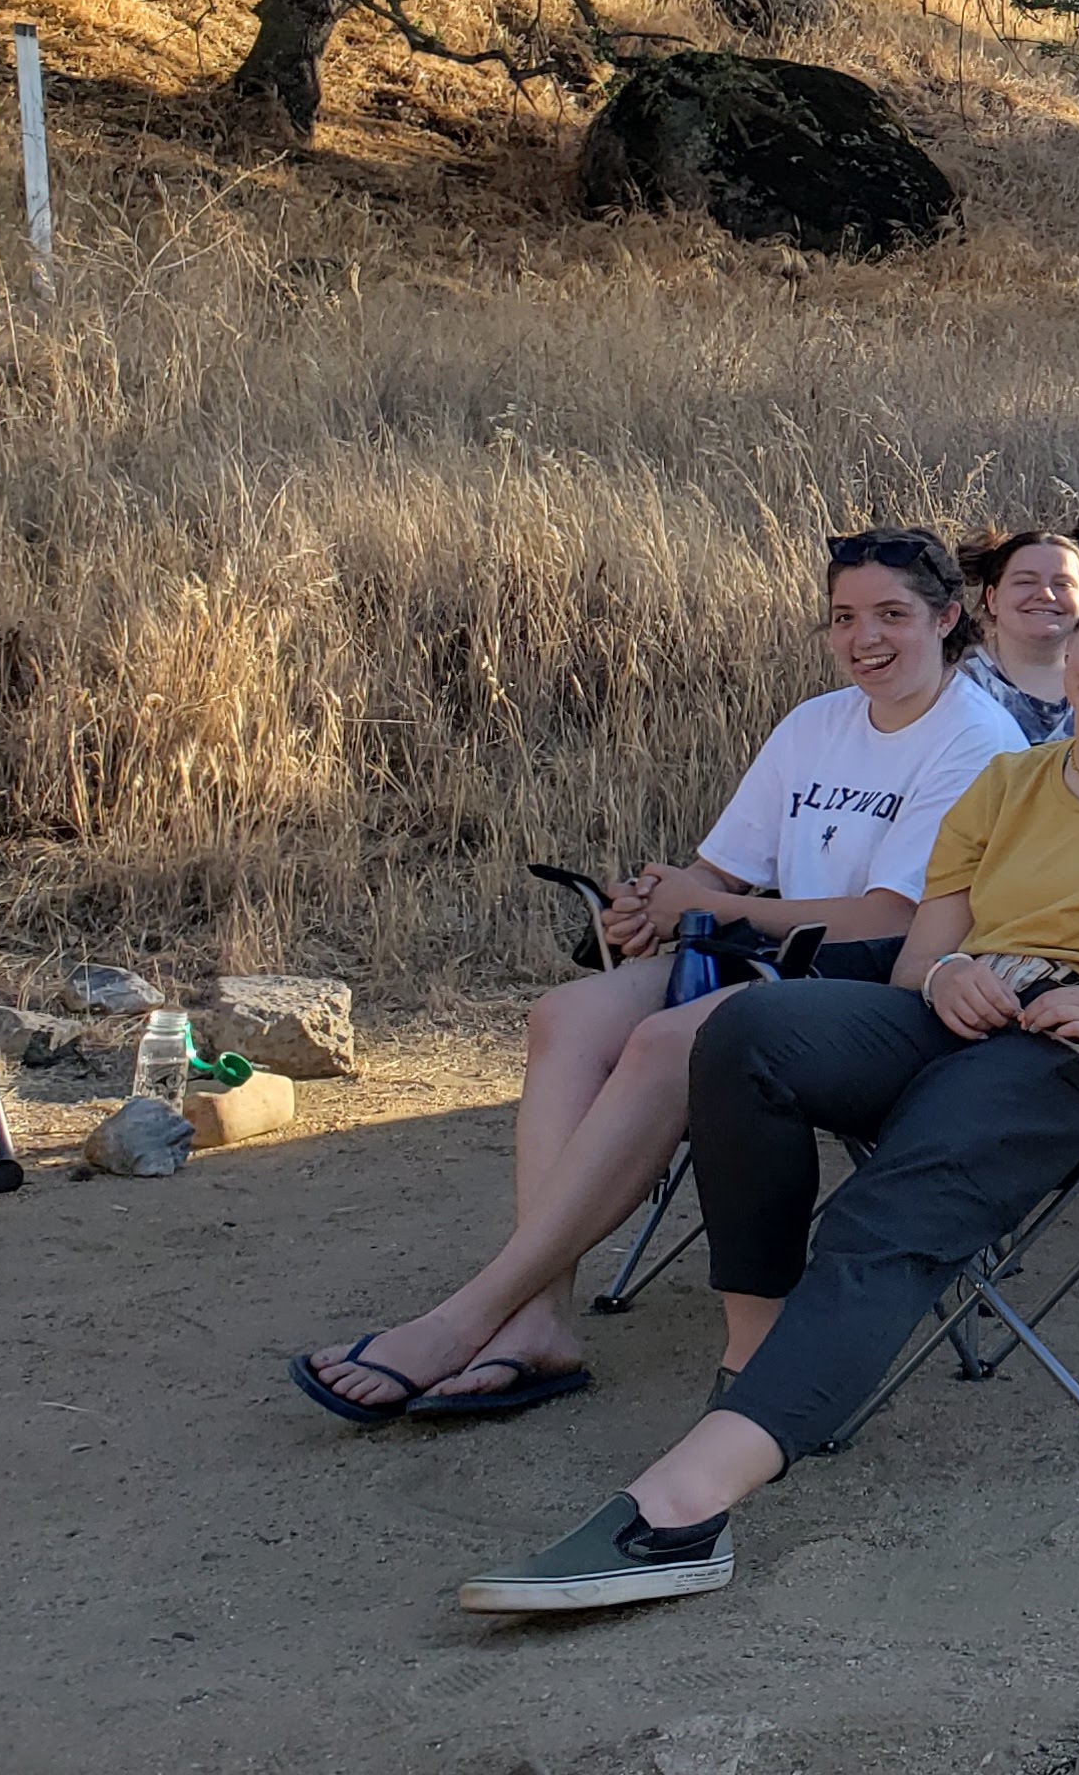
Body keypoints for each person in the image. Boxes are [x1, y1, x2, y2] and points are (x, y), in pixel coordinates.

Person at [455, 560, 1079, 1614]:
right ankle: (765, 1352)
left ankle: (685, 1509)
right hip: (963, 1013)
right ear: (1073, 644)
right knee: (745, 1032)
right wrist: (953, 975)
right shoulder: (1006, 787)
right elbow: (922, 958)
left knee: (896, 1198)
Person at [290, 530, 1021, 1422]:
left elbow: (892, 919)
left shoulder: (975, 738)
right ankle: (542, 1318)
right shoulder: (816, 724)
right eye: (844, 618)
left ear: (946, 619)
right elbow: (723, 873)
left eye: (891, 616)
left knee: (670, 1040)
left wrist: (717, 911)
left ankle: (469, 1315)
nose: (864, 637)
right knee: (566, 1013)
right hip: (763, 963)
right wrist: (654, 903)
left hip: (869, 989)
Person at [959, 515, 1079, 744]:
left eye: (1063, 584)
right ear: (992, 599)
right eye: (1025, 581)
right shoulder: (953, 684)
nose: (1045, 594)